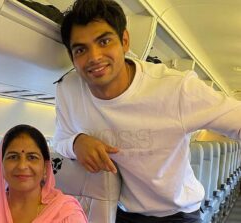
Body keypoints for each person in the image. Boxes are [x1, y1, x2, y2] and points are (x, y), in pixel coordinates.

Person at [53, 0, 241, 222]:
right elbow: (59, 140)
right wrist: (76, 142)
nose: (94, 57)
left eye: (104, 41)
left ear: (124, 41)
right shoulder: (68, 89)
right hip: (120, 211)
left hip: (177, 214)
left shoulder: (175, 88)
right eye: (81, 49)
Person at [0, 124, 87, 223]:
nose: (22, 166)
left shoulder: (67, 213)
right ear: (1, 166)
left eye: (32, 157)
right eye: (13, 157)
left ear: (46, 168)